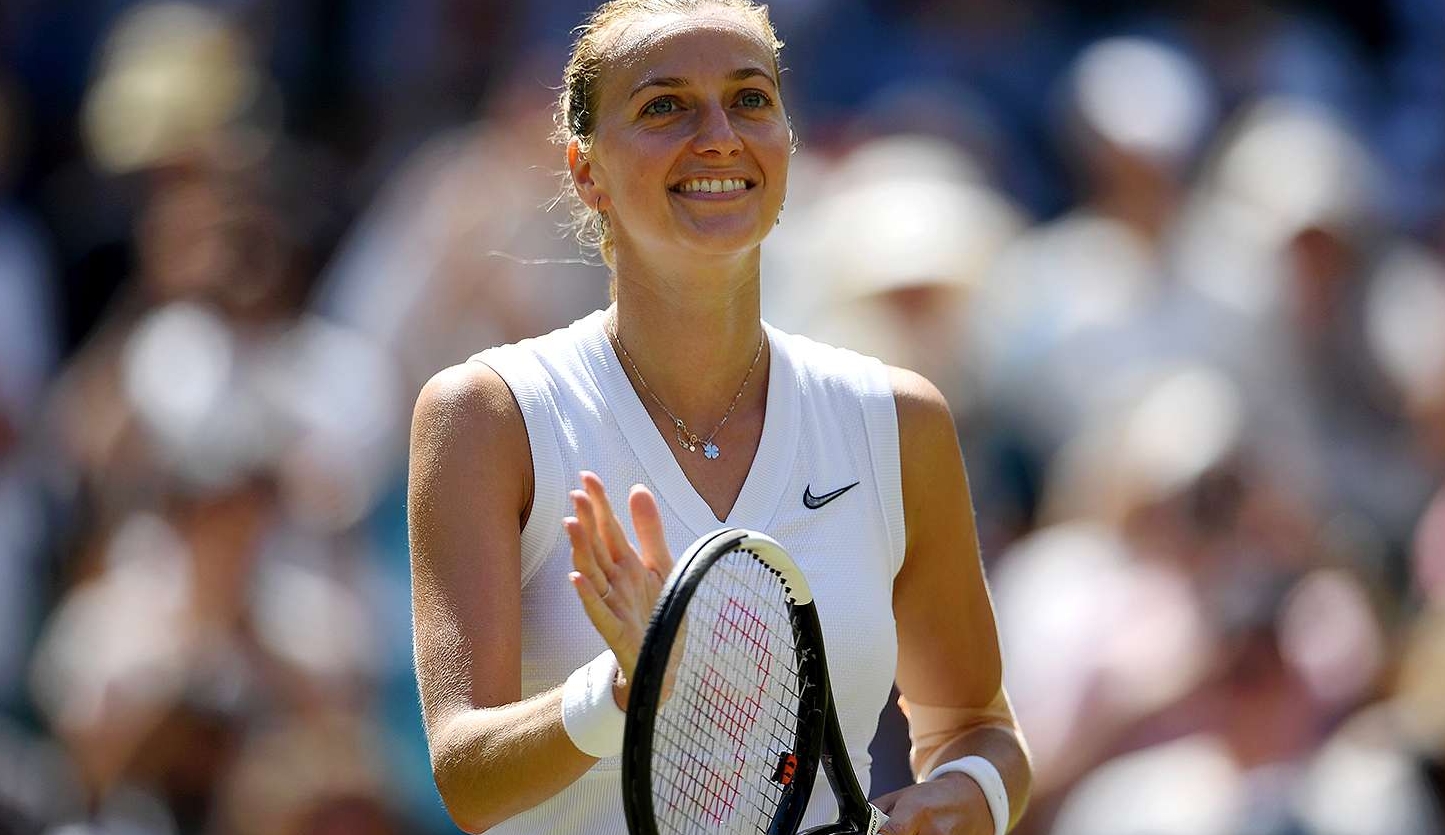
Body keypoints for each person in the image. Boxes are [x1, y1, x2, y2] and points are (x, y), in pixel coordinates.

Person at [406, 2, 1032, 833]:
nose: (718, 136)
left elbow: (977, 729)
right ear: (586, 171)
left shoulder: (896, 420)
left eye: (749, 100)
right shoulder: (486, 415)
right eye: (664, 106)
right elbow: (464, 775)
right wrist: (623, 688)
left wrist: (967, 797)